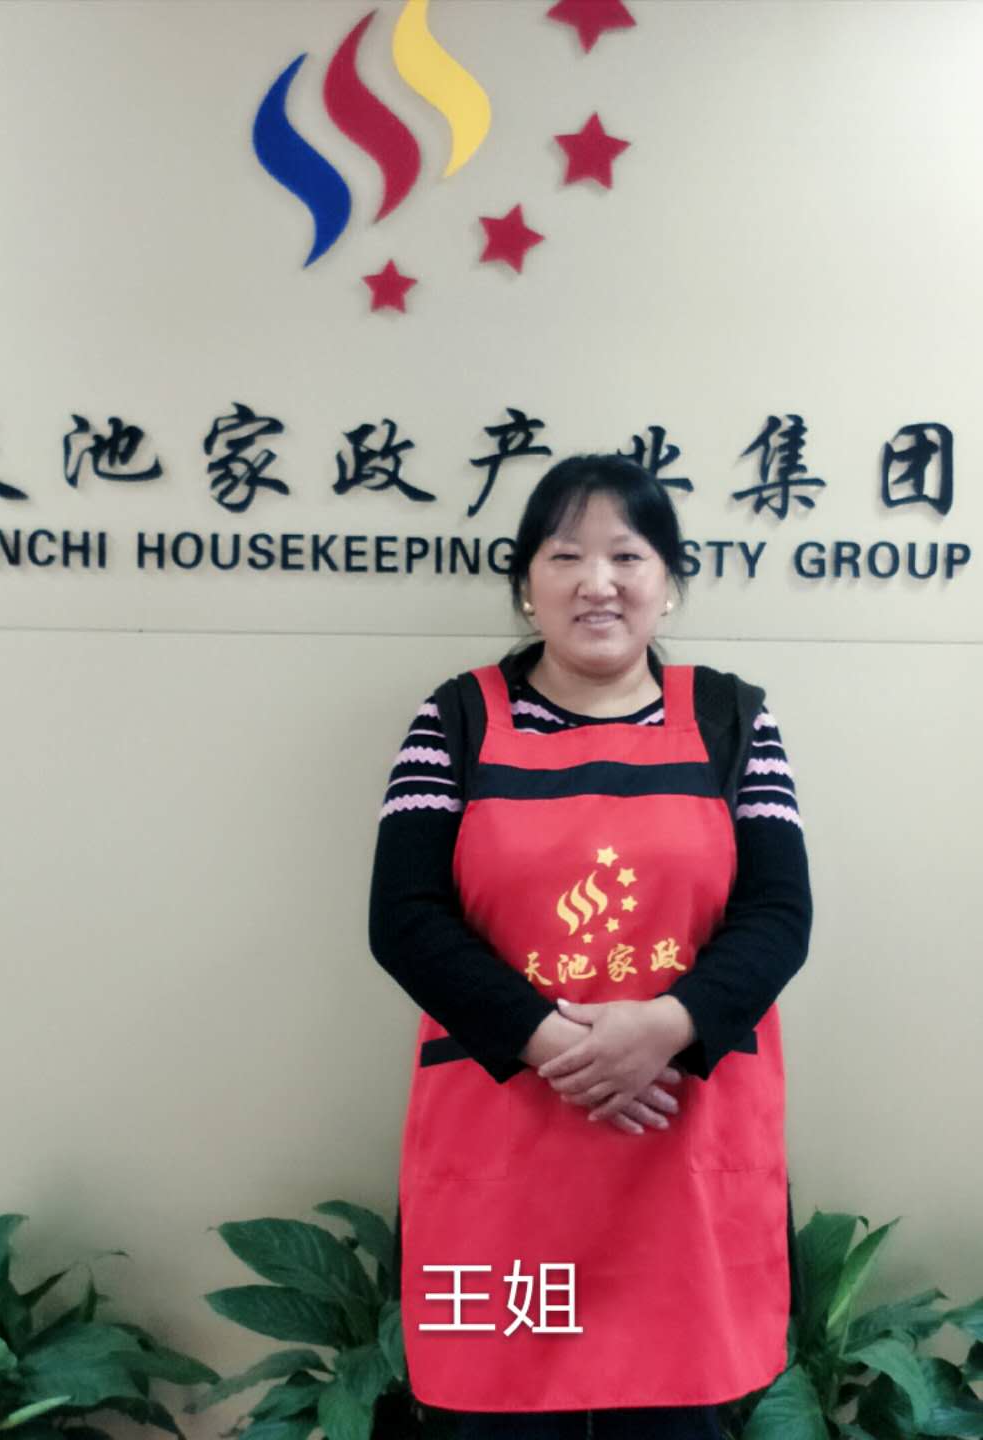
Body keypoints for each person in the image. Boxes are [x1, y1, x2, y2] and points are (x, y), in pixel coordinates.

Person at [368, 455, 812, 1440]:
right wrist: (557, 1046)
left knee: (679, 1417)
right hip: (505, 1149)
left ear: (669, 581)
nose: (596, 582)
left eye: (627, 555)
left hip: (680, 1145)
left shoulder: (733, 720)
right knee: (495, 1417)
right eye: (565, 555)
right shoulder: (456, 720)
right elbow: (404, 918)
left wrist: (664, 1028)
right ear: (527, 583)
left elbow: (780, 915)